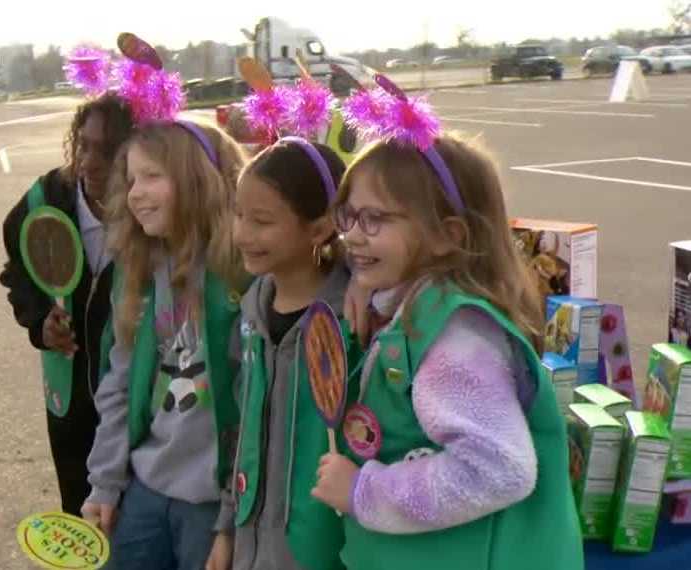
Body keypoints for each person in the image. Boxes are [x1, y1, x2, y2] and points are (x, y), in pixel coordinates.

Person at [311, 131, 584, 569]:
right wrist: (363, 281)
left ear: (445, 236)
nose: (353, 238)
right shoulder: (418, 304)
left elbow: (497, 469)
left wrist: (365, 491)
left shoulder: (454, 338)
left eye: (374, 218)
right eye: (349, 215)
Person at [82, 121, 247, 570]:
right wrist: (105, 482)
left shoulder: (244, 273)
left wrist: (232, 522)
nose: (135, 193)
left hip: (212, 504)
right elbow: (118, 385)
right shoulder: (137, 270)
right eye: (131, 180)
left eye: (153, 176)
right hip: (145, 487)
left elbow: (256, 408)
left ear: (196, 179)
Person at [210, 138, 351, 570]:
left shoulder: (354, 322)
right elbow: (244, 431)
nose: (242, 235)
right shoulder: (252, 308)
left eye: (262, 221)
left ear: (319, 227)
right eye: (238, 215)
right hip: (252, 550)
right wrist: (227, 529)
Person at [0, 92, 136, 516]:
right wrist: (40, 322)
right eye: (83, 144)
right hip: (70, 396)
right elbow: (18, 271)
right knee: (80, 512)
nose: (90, 161)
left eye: (108, 151)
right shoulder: (48, 199)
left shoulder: (150, 210)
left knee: (130, 515)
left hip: (137, 393)